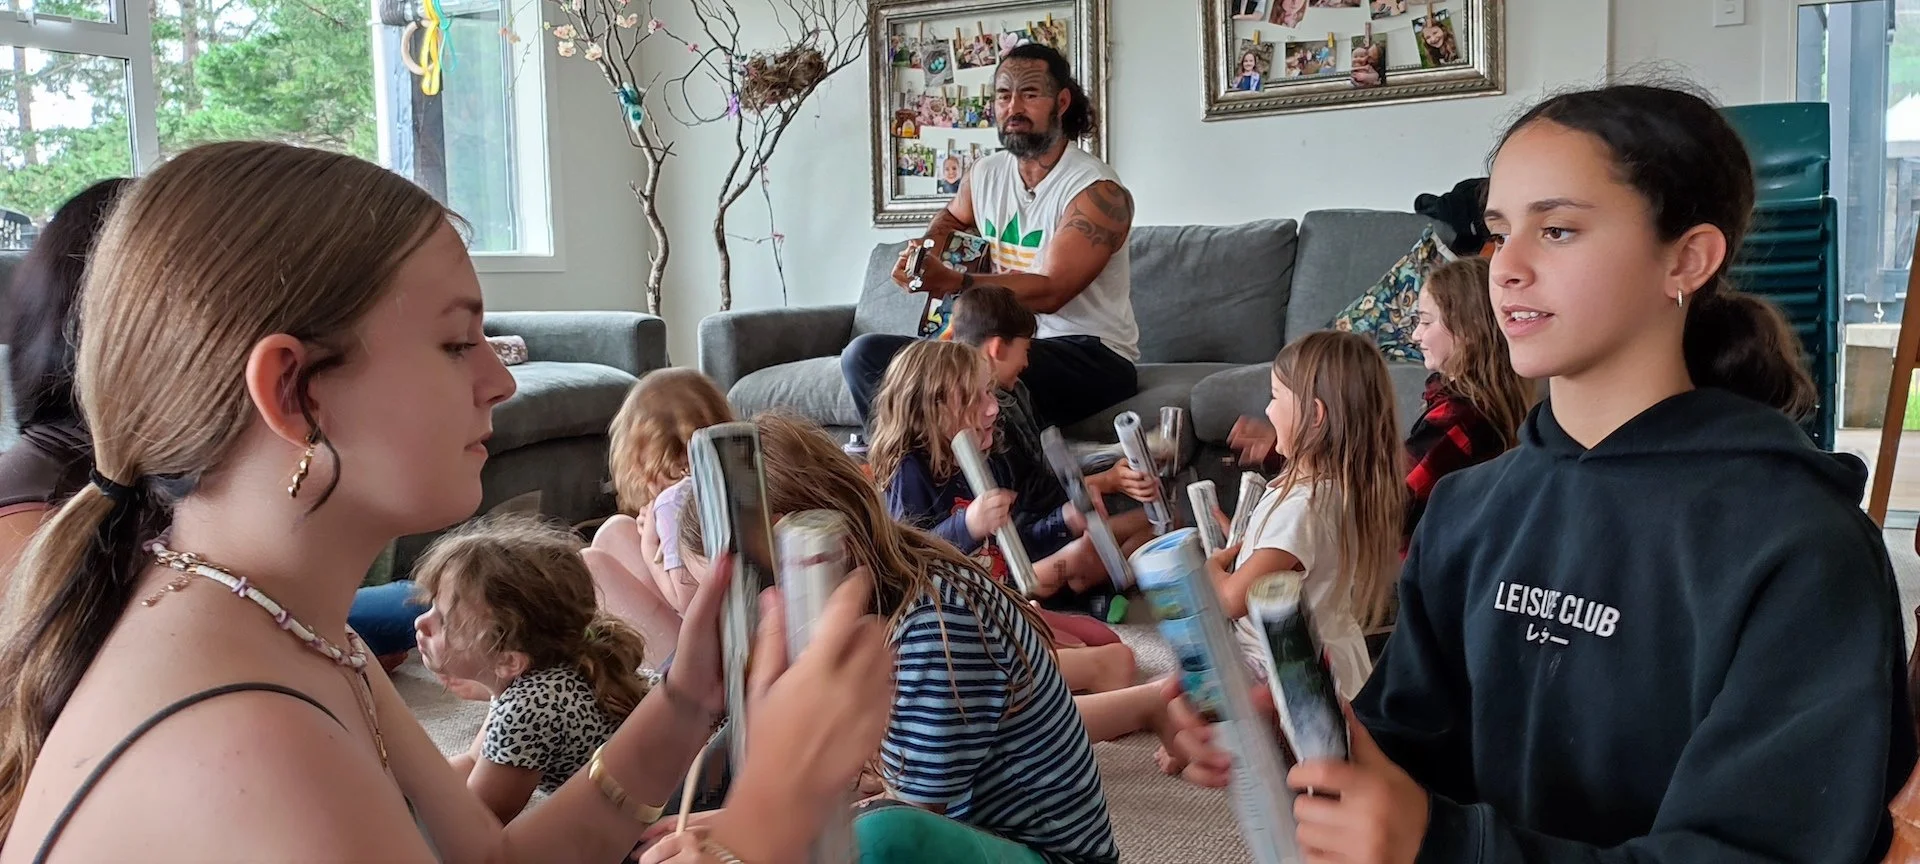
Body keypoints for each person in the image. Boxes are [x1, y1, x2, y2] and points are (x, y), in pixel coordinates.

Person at [0, 141, 894, 862]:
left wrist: (690, 697)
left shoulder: (300, 630)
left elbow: (493, 858)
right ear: (295, 391)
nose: (499, 379)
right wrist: (773, 814)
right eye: (458, 342)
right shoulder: (242, 738)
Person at [1170, 83, 1918, 861]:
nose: (1506, 268)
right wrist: (1303, 743)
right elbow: (1415, 750)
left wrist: (1440, 842)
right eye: (1499, 233)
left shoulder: (1803, 550)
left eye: (1557, 230)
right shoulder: (1468, 510)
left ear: (1687, 259)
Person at [0, 178, 428, 673]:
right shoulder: (27, 511)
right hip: (221, 638)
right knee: (425, 603)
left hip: (242, 621)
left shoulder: (154, 456)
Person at [676, 414, 1120, 864]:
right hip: (970, 833)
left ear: (804, 553)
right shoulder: (900, 592)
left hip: (1047, 856)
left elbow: (914, 818)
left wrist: (752, 837)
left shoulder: (933, 627)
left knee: (880, 835)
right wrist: (729, 827)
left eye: (738, 606)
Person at [842, 43, 1140, 431]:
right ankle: (904, 461)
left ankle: (957, 461)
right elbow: (951, 219)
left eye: (1029, 94)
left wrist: (955, 282)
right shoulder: (986, 174)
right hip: (1000, 343)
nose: (1013, 107)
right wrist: (923, 255)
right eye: (1003, 95)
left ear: (1062, 102)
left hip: (1090, 354)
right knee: (865, 355)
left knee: (986, 366)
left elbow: (1052, 291)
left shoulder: (1098, 191)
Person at [867, 340, 1136, 696]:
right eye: (975, 398)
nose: (994, 407)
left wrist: (1064, 521)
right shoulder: (910, 472)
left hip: (1002, 605)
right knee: (1107, 661)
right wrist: (967, 525)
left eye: (990, 392)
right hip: (959, 631)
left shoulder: (990, 459)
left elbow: (1011, 549)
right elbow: (906, 565)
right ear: (933, 408)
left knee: (1104, 638)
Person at [414, 514, 651, 822]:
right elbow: (474, 761)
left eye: (444, 621)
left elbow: (478, 825)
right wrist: (408, 789)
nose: (421, 623)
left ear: (508, 660)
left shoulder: (529, 708)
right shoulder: (545, 667)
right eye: (431, 607)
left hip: (679, 805)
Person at [585, 368, 735, 664]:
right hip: (723, 631)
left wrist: (649, 546)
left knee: (590, 562)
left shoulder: (673, 502)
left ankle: (634, 671)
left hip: (703, 661)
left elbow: (688, 600)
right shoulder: (720, 484)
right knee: (616, 530)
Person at [1401, 255, 1534, 534]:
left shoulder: (1458, 418)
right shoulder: (1484, 404)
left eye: (1425, 322)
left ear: (1466, 330)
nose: (1415, 335)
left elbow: (1393, 503)